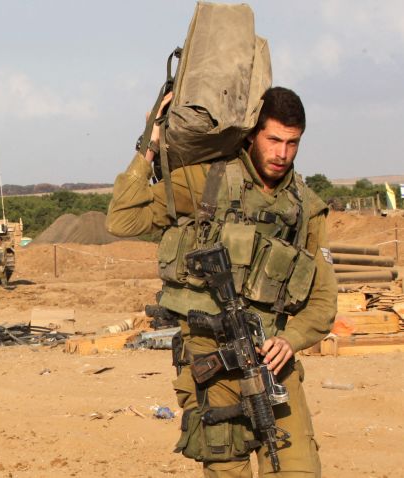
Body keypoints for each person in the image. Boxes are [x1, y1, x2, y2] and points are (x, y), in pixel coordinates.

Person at [106, 87, 336, 477]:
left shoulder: (305, 208)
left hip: (273, 365)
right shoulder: (206, 183)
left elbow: (323, 300)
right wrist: (149, 144)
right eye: (274, 140)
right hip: (211, 365)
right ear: (251, 135)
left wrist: (290, 340)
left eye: (292, 143)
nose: (282, 153)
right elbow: (121, 219)